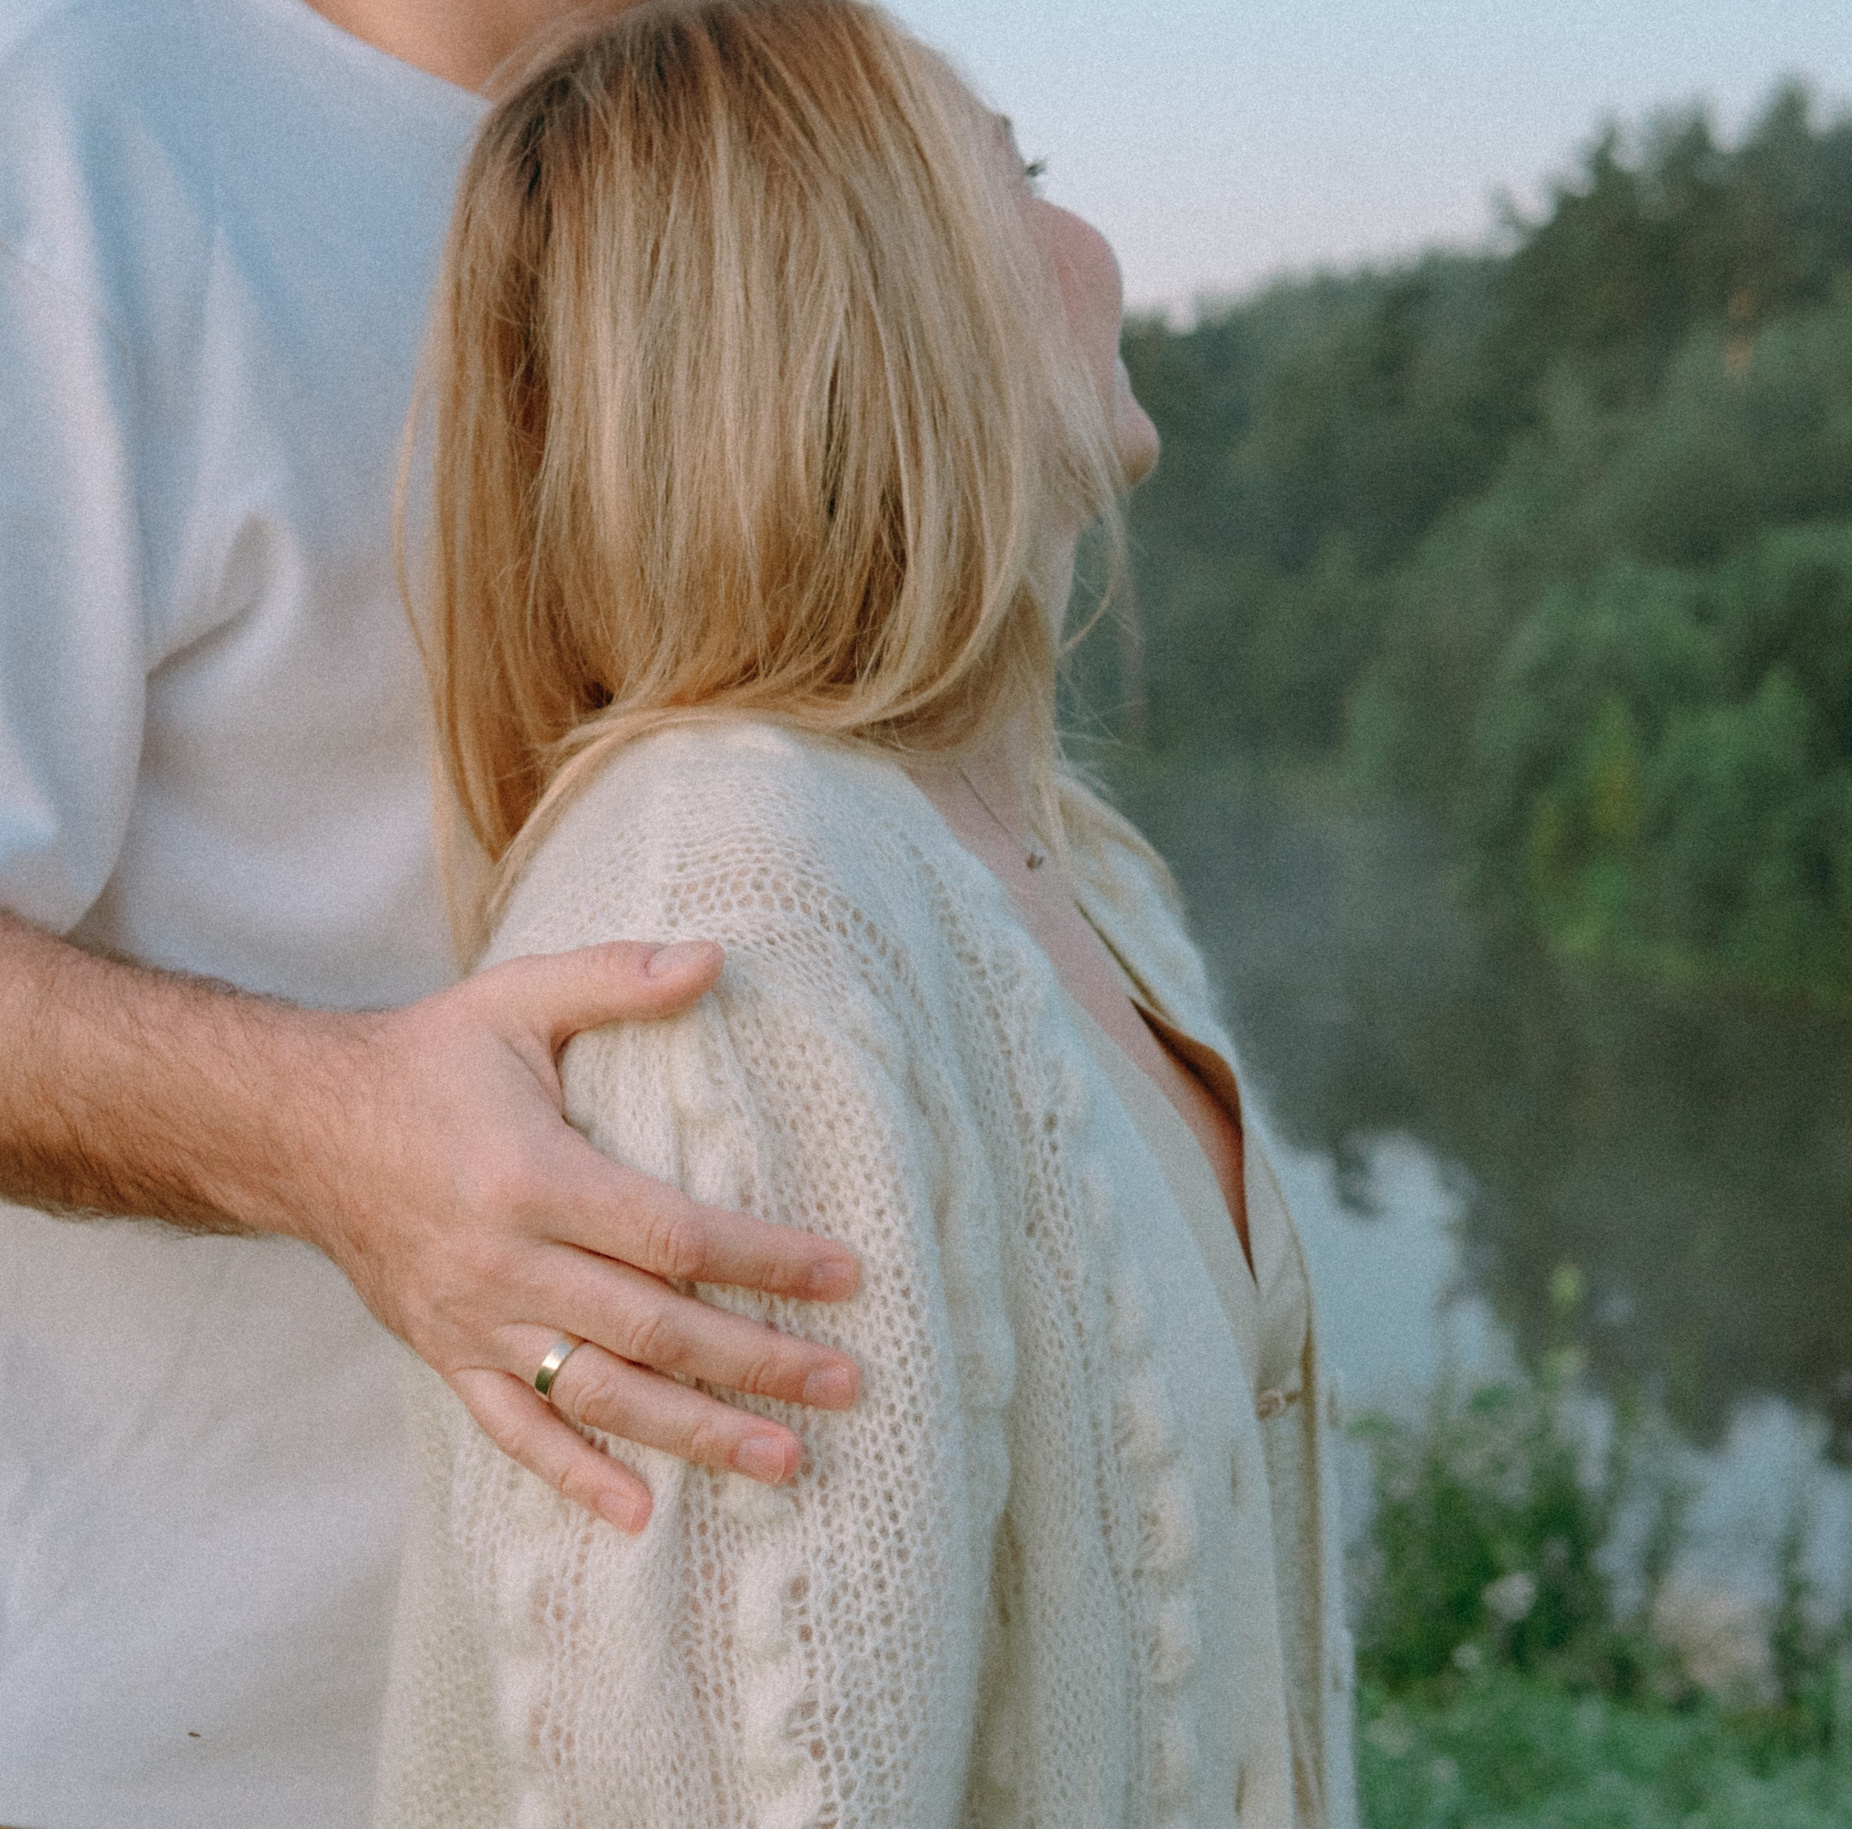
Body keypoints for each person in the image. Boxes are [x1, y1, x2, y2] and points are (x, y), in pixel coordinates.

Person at [0, 0, 878, 1822]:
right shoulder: (40, 142)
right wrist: (337, 1133)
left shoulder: (781, 121)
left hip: (669, 1703)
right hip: (134, 1732)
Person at [373, 3, 1361, 1823]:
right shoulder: (738, 916)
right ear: (871, 281)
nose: (1097, 247)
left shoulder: (1075, 868)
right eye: (1022, 178)